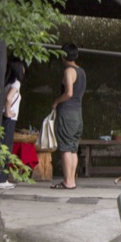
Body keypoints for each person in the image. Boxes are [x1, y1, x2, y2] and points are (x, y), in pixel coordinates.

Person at [50, 43, 85, 189]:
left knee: (65, 147)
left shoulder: (69, 71)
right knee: (73, 148)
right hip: (78, 112)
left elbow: (69, 93)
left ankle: (68, 181)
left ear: (64, 56)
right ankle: (72, 180)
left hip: (67, 112)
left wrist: (56, 101)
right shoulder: (82, 71)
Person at [3, 58, 36, 182]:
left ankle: (1, 177)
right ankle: (2, 178)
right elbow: (8, 98)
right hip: (9, 118)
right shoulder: (16, 83)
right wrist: (8, 112)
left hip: (3, 117)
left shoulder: (6, 82)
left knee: (3, 146)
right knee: (7, 146)